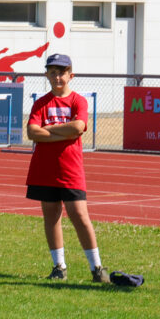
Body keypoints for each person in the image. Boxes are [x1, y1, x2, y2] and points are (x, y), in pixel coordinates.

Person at [25, 53, 109, 283]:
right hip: (44, 170)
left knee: (80, 216)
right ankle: (58, 267)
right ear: (47, 75)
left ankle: (97, 268)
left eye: (61, 72)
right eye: (52, 72)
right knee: (51, 217)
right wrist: (64, 133)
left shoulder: (78, 101)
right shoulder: (41, 102)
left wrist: (49, 131)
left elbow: (79, 126)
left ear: (70, 75)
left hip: (70, 170)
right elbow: (32, 132)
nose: (57, 76)